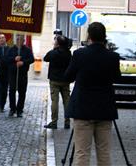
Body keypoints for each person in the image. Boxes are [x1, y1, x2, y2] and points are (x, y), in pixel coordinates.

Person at [64, 22, 121, 166]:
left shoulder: (79, 54)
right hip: (104, 109)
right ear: (104, 37)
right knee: (104, 153)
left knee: (82, 153)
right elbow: (116, 78)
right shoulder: (113, 57)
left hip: (83, 109)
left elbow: (68, 77)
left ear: (89, 36)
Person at [43, 35, 72, 129]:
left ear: (58, 44)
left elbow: (45, 58)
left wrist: (54, 48)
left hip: (54, 80)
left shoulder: (53, 53)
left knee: (55, 101)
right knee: (67, 101)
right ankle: (67, 122)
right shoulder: (68, 54)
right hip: (65, 80)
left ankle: (54, 122)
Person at [6, 34, 34, 117]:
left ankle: (19, 110)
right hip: (13, 74)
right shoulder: (11, 49)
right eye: (17, 39)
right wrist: (14, 59)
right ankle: (12, 108)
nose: (18, 41)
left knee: (22, 92)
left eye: (20, 39)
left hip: (23, 74)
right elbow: (6, 59)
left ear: (23, 41)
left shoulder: (27, 50)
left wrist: (23, 62)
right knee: (12, 91)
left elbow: (31, 59)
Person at [0, 34, 10, 113]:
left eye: (3, 38)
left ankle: (2, 105)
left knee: (4, 90)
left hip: (6, 73)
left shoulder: (9, 49)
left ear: (5, 39)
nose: (1, 39)